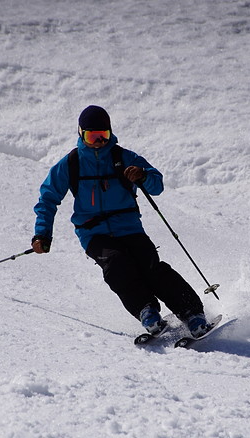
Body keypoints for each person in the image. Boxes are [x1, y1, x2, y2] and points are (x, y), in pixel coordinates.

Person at [31, 105, 210, 338]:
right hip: (93, 233)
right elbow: (47, 199)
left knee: (150, 266)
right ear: (81, 134)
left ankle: (192, 313)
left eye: (103, 136)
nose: (98, 142)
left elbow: (157, 185)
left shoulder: (123, 157)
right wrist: (42, 234)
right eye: (92, 136)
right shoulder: (71, 164)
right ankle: (146, 311)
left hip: (129, 227)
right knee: (116, 265)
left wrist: (143, 176)